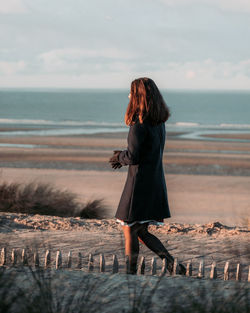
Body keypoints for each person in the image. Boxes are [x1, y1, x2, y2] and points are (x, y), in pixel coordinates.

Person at [109, 77, 186, 275]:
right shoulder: (159, 122)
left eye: (131, 92)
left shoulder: (138, 122)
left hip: (138, 184)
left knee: (130, 230)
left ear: (138, 96)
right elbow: (145, 151)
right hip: (154, 180)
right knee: (141, 230)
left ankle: (130, 274)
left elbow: (133, 155)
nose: (128, 96)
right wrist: (124, 156)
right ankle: (172, 265)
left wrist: (119, 157)